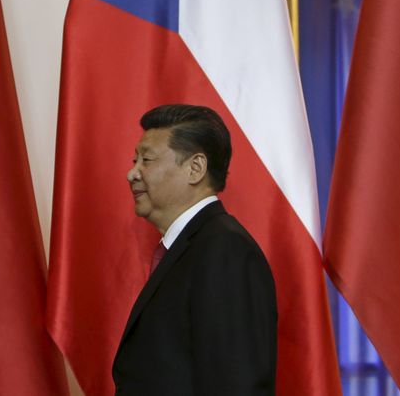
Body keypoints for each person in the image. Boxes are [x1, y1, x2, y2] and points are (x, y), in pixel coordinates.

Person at [113, 104, 277, 395]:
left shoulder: (225, 251)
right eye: (135, 160)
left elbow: (236, 385)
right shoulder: (192, 248)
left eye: (146, 160)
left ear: (195, 168)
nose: (132, 173)